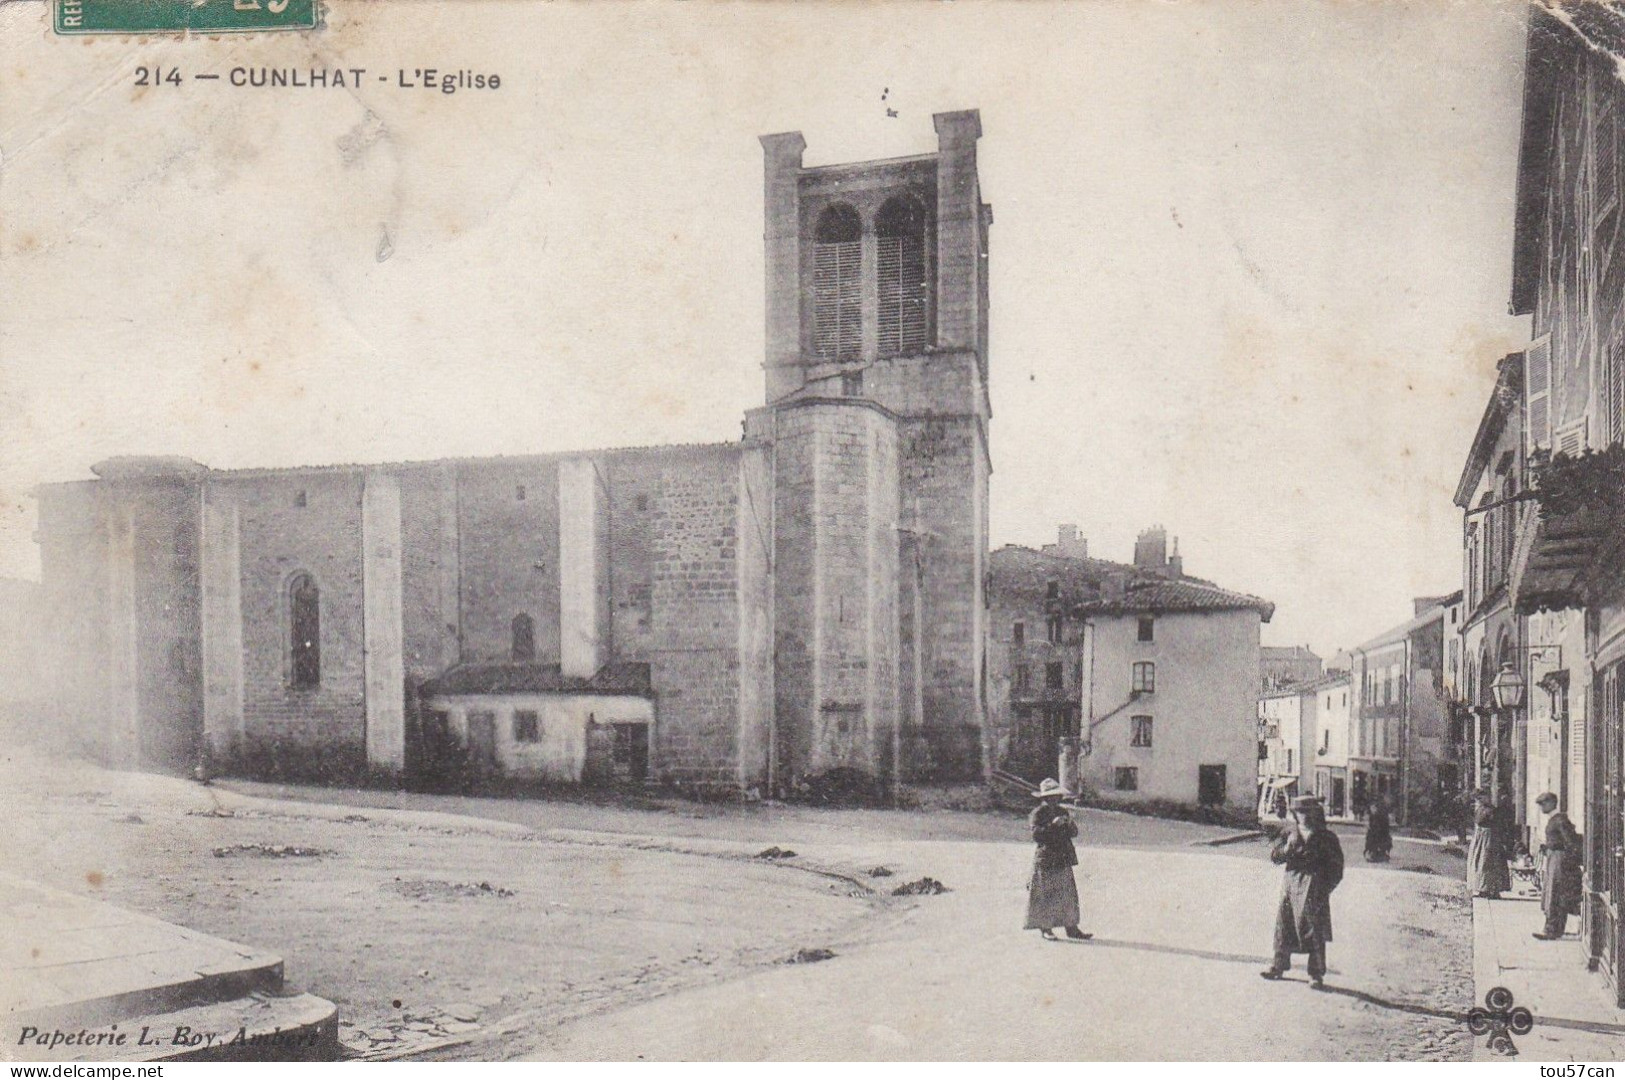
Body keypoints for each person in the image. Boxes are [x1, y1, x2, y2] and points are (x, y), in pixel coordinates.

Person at [1261, 795, 1344, 989]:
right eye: (1300, 812)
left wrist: (1324, 889)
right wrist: (1285, 850)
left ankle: (1316, 974)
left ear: (1315, 814)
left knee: (1315, 930)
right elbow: (1275, 857)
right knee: (1284, 925)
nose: (1304, 817)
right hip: (1291, 886)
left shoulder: (1326, 837)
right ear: (1295, 814)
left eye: (1308, 812)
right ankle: (1278, 965)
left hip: (1314, 888)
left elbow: (1337, 868)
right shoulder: (1290, 833)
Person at [1025, 778, 1091, 941]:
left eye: (1056, 796)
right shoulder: (1038, 814)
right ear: (1044, 798)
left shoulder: (1063, 811)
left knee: (1067, 894)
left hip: (1062, 857)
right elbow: (1036, 835)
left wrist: (1068, 824)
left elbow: (1074, 833)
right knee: (1046, 893)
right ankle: (1045, 928)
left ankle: (1071, 927)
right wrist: (1053, 825)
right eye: (1050, 797)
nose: (1054, 799)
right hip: (1046, 858)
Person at [1532, 792, 1583, 941]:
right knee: (1551, 893)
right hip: (1553, 857)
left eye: (1543, 804)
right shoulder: (1555, 820)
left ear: (1552, 803)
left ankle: (1552, 929)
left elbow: (1570, 842)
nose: (1542, 808)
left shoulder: (1560, 820)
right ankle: (1552, 928)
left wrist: (1569, 859)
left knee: (1555, 893)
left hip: (1559, 860)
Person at [1468, 788, 1511, 899]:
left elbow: (1497, 824)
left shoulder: (1492, 810)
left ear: (1487, 797)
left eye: (1482, 798)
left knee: (1490, 863)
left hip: (1490, 839)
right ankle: (1483, 889)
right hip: (1480, 839)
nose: (1480, 801)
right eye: (1478, 799)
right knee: (1480, 862)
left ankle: (1493, 890)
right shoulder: (1479, 809)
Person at [1364, 797, 1392, 863]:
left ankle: (1379, 853)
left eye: (1373, 808)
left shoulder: (1381, 816)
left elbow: (1383, 829)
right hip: (1376, 834)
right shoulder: (1373, 816)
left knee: (1375, 839)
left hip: (1381, 834)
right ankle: (1374, 853)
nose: (1372, 810)